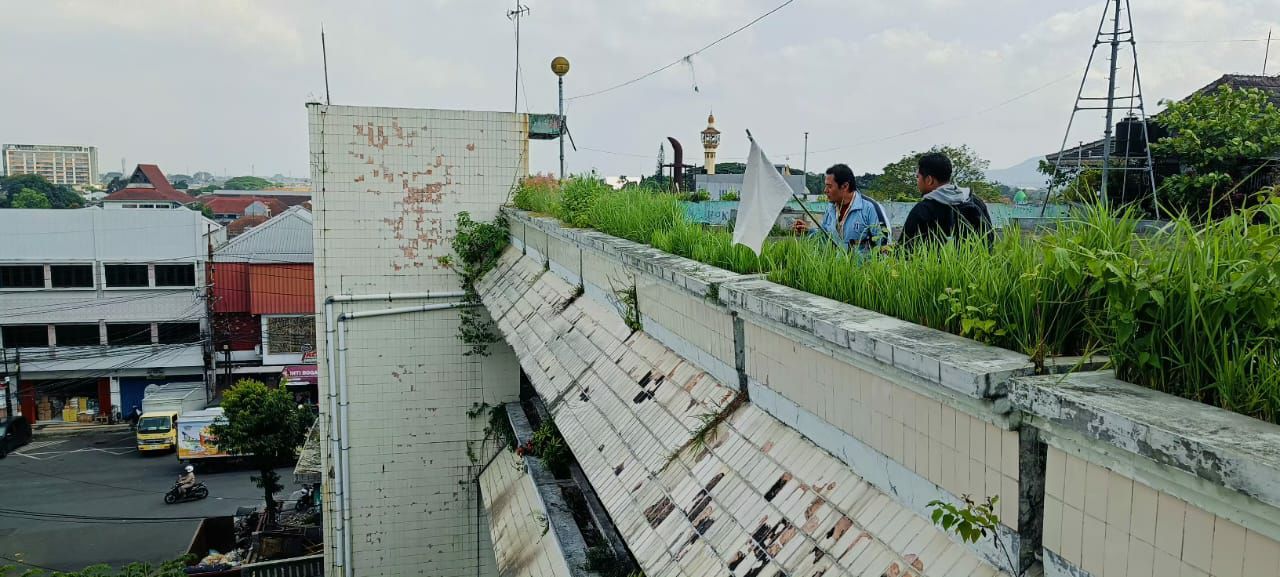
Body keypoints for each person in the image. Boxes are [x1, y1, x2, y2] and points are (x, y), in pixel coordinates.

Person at [899, 152, 992, 248]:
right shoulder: (974, 201)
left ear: (929, 180)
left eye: (918, 177)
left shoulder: (923, 210)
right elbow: (990, 241)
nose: (917, 182)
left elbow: (905, 250)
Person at [793, 163, 891, 250]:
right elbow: (826, 239)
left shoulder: (871, 208)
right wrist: (807, 231)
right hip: (838, 269)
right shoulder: (831, 208)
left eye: (829, 186)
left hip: (864, 269)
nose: (825, 190)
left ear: (845, 186)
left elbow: (884, 246)